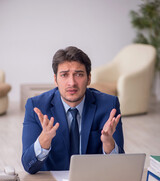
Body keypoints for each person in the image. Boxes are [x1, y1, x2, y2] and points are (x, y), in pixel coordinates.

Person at [22, 46, 124, 174]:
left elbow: (119, 167)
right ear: (55, 80)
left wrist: (108, 142)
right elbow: (28, 166)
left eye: (79, 74)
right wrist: (44, 140)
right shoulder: (37, 107)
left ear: (89, 78)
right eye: (64, 75)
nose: (72, 83)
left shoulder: (109, 105)